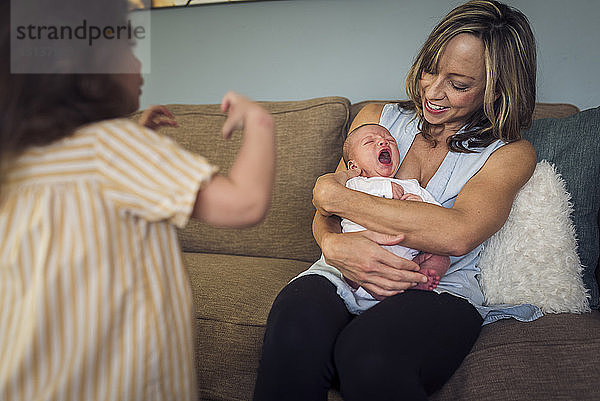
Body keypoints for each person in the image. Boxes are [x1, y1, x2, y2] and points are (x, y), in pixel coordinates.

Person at [253, 1, 542, 400]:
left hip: (436, 289)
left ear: (497, 89)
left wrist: (329, 193)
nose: (433, 92)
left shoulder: (508, 153)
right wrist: (331, 243)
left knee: (369, 357)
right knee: (293, 326)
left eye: (458, 85)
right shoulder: (376, 120)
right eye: (430, 69)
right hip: (342, 270)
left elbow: (457, 234)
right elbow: (329, 216)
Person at [0, 1, 275, 400]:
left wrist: (134, 138)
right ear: (86, 70)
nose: (139, 62)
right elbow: (245, 203)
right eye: (129, 46)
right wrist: (259, 122)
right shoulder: (114, 148)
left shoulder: (16, 160)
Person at [333, 123, 450, 309]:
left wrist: (421, 205)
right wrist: (386, 189)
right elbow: (337, 199)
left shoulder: (411, 186)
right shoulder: (355, 184)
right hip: (365, 258)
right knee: (349, 263)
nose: (382, 142)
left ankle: (419, 279)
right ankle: (364, 286)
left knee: (441, 258)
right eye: (370, 141)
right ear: (354, 165)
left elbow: (440, 218)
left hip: (406, 262)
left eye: (390, 141)